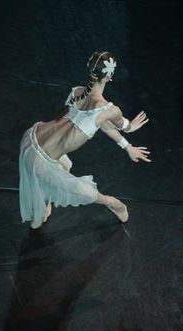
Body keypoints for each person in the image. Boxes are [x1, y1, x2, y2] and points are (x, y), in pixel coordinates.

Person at [19, 51, 151, 229]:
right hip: (39, 160)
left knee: (65, 166)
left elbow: (99, 122)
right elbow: (123, 126)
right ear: (109, 77)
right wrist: (131, 128)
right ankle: (113, 203)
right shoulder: (111, 110)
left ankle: (45, 197)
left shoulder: (76, 92)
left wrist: (127, 146)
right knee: (84, 192)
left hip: (31, 136)